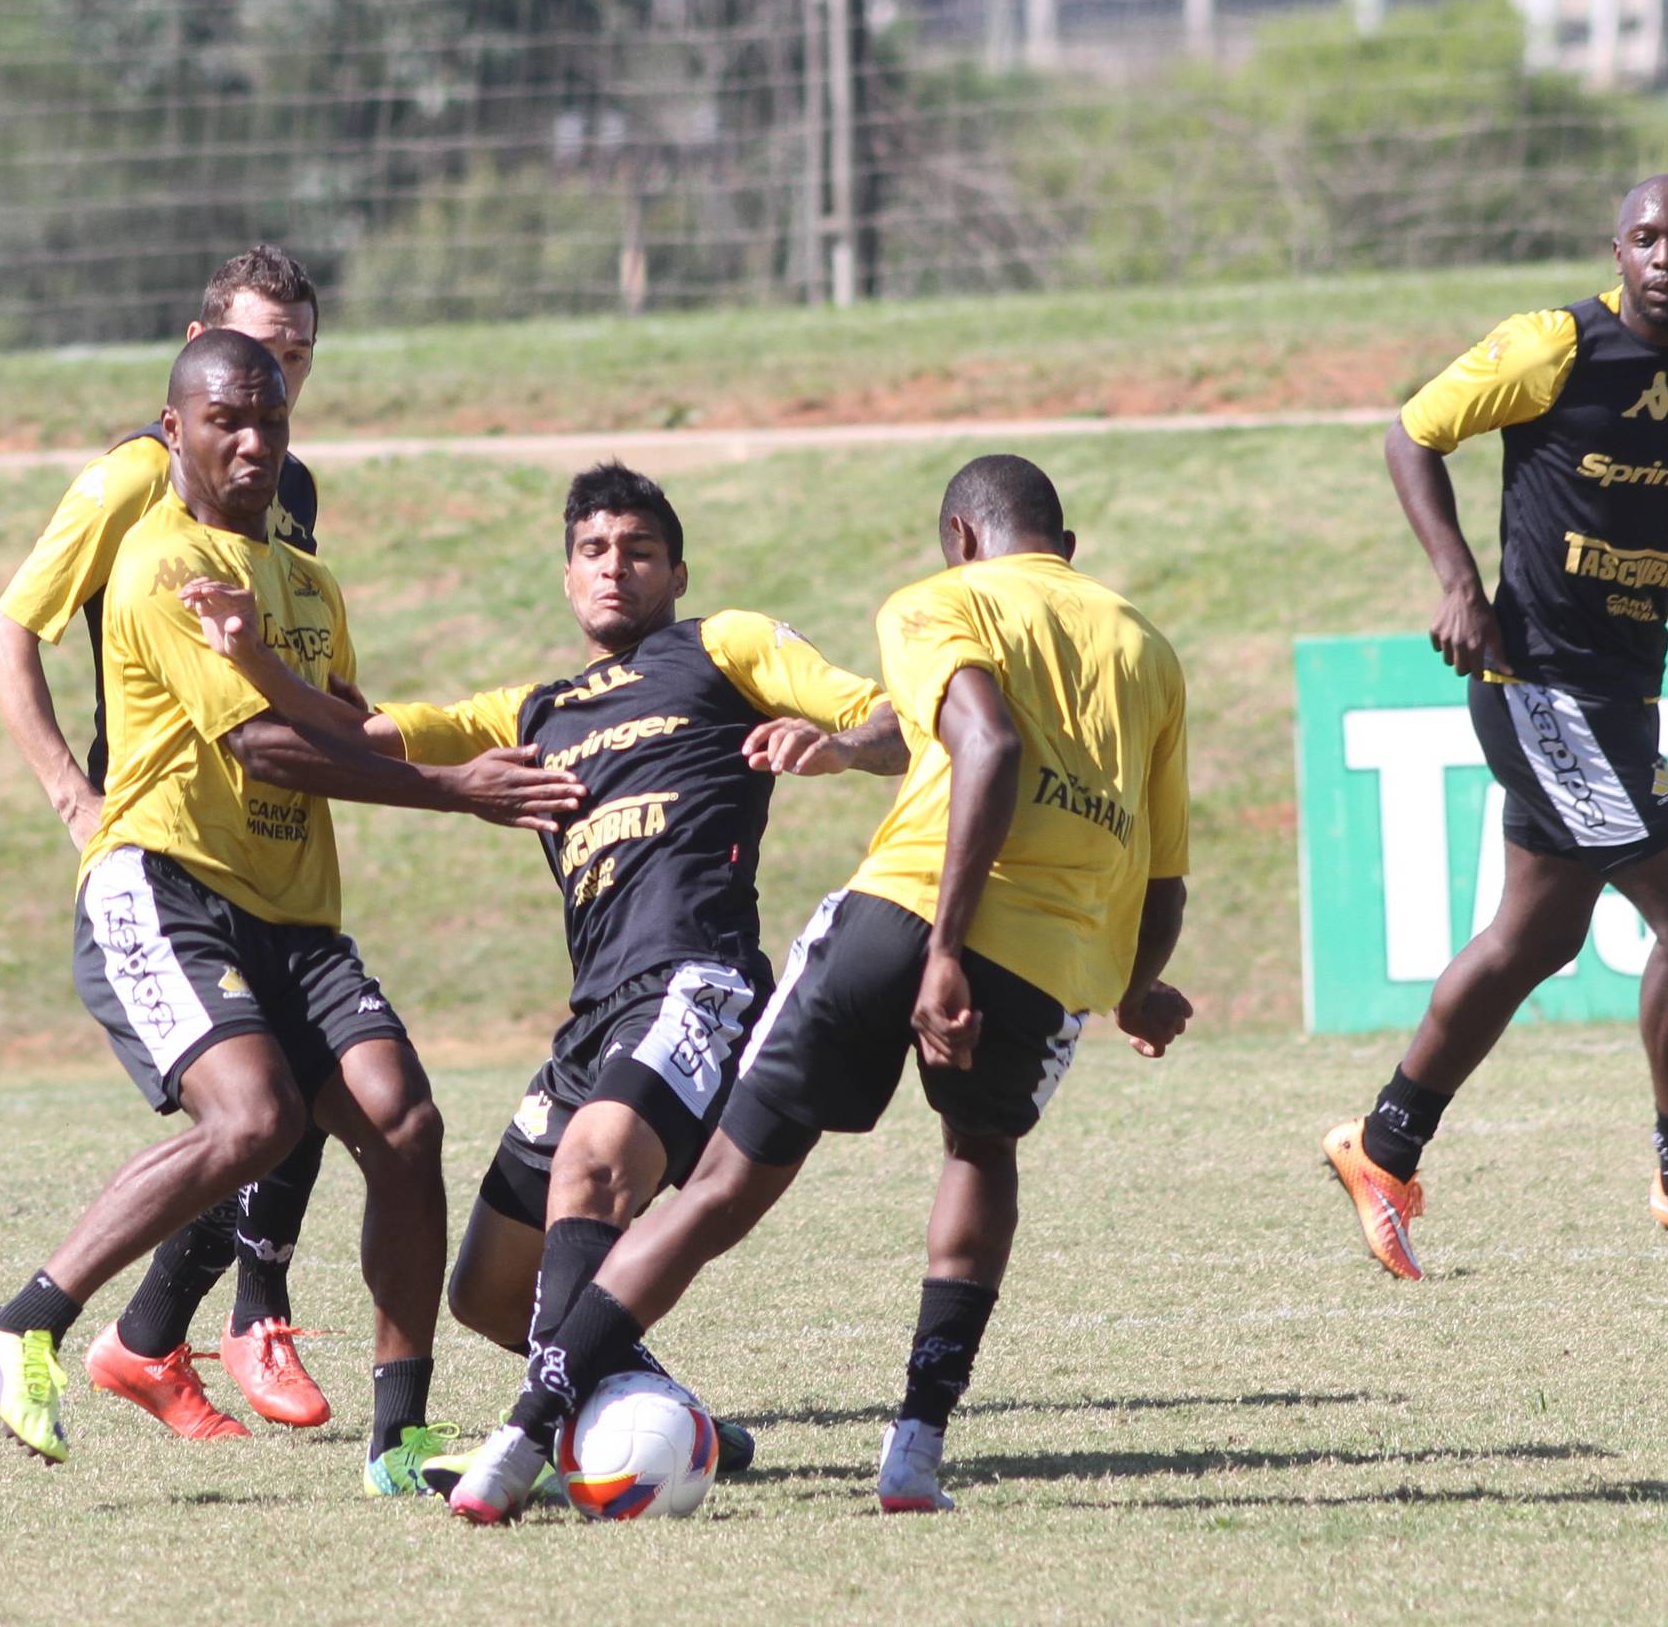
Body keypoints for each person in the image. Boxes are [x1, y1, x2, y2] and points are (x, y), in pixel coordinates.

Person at [438, 454, 1196, 1522]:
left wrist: (942, 948)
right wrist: (1138, 988)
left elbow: (987, 741)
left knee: (718, 1192)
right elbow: (1163, 873)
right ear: (1065, 549)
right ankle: (914, 1453)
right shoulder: (1150, 651)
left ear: (961, 538)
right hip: (1047, 957)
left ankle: (519, 1444)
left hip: (897, 917)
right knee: (979, 1156)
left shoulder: (940, 602)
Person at [178, 463, 905, 1496]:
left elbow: (892, 720)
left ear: (677, 574)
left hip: (693, 982)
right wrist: (250, 656)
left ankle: (532, 1442)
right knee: (487, 1292)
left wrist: (835, 745)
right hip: (595, 1017)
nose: (615, 568)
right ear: (567, 577)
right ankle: (664, 1417)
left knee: (593, 1164)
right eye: (594, 551)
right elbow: (359, 735)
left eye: (640, 552)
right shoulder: (532, 709)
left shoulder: (724, 646)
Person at [0, 331, 587, 1495]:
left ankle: (398, 1441)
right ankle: (22, 1323)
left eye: (272, 421)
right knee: (254, 1121)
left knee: (404, 1124)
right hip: (167, 887)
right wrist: (458, 793)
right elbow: (265, 747)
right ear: (175, 430)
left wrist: (503, 731)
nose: (253, 442)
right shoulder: (160, 564)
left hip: (294, 916)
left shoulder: (306, 582)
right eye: (226, 421)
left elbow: (342, 726)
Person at [1321, 174, 1668, 1281]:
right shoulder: (1555, 346)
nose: (1665, 256)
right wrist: (1459, 584)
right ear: (1617, 250)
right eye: (1645, 237)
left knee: (1534, 940)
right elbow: (1411, 435)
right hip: (1540, 686)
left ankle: (1383, 1149)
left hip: (1621, 694)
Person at [0, 245, 342, 1441]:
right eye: (257, 352)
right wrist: (70, 799)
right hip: (167, 841)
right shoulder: (130, 479)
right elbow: (2, 638)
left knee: (300, 1093)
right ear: (195, 350)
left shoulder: (288, 485)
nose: (276, 380)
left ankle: (148, 1341)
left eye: (296, 359)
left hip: (261, 832)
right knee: (258, 1106)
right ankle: (224, 1319)